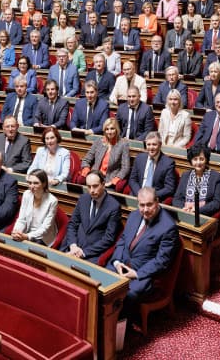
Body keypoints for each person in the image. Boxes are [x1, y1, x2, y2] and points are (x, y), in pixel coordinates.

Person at [107, 187, 179, 319]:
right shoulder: (134, 215)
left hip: (143, 274)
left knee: (126, 296)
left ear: (157, 202)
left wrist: (137, 274)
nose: (145, 209)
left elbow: (162, 261)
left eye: (149, 205)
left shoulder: (168, 227)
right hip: (121, 265)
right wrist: (116, 262)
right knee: (101, 283)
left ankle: (120, 329)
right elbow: (122, 240)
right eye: (142, 205)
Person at [61, 169, 122, 261]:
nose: (91, 191)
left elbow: (108, 239)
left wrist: (84, 252)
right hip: (73, 246)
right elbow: (72, 224)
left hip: (92, 254)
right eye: (89, 187)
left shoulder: (114, 207)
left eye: (95, 186)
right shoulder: (83, 199)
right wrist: (73, 245)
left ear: (103, 184)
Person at [174, 146, 220, 217]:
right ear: (191, 161)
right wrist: (183, 208)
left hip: (203, 215)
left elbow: (216, 203)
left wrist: (196, 210)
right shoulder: (185, 175)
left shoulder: (216, 177)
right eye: (195, 159)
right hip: (185, 213)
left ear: (206, 160)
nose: (198, 162)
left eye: (201, 159)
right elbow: (176, 199)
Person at [11, 169, 58, 245]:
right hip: (27, 231)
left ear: (44, 184)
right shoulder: (26, 194)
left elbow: (45, 229)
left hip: (43, 237)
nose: (31, 186)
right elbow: (22, 219)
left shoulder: (52, 201)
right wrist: (17, 231)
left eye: (36, 183)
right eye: (30, 183)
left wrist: (27, 236)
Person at [129, 132, 178, 202]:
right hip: (138, 195)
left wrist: (151, 196)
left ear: (160, 145)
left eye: (154, 144)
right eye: (148, 144)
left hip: (155, 199)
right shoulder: (139, 158)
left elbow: (169, 188)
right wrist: (139, 193)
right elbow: (132, 180)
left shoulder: (168, 163)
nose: (151, 147)